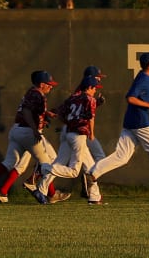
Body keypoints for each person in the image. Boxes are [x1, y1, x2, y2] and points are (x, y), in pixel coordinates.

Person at [89, 52, 149, 204]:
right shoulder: (144, 78)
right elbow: (130, 97)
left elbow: (140, 93)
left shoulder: (144, 76)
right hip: (140, 122)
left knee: (122, 156)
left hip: (131, 121)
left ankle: (92, 174)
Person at [0, 70, 60, 205]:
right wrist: (35, 129)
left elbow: (29, 109)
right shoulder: (37, 94)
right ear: (42, 84)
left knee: (16, 164)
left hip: (20, 130)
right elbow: (26, 111)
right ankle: (40, 189)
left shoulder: (32, 93)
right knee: (51, 161)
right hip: (28, 132)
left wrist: (46, 114)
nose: (51, 86)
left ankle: (1, 190)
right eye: (49, 84)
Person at [39, 74, 103, 204]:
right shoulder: (90, 99)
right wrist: (91, 133)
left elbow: (61, 113)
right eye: (94, 87)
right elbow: (90, 117)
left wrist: (68, 123)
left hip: (68, 132)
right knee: (74, 171)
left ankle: (41, 190)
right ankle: (45, 168)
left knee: (61, 163)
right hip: (79, 136)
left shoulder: (73, 97)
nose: (95, 90)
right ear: (89, 87)